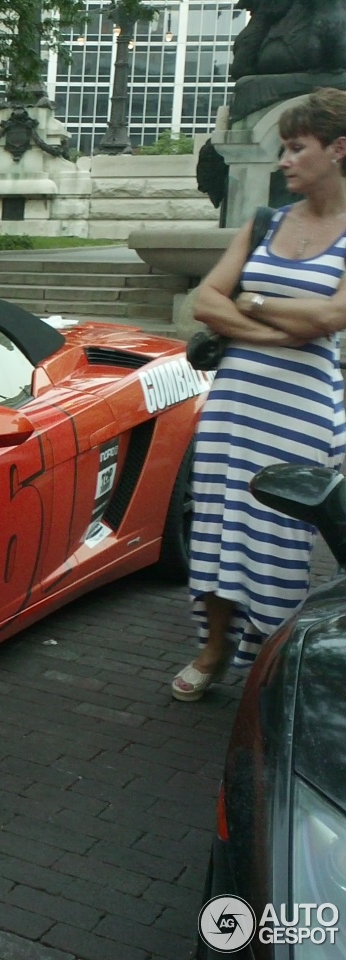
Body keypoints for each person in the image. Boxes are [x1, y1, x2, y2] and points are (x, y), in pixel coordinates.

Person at [171, 86, 346, 701]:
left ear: (338, 149)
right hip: (235, 405)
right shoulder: (264, 221)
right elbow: (206, 300)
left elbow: (333, 317)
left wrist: (253, 302)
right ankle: (215, 649)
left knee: (276, 540)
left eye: (297, 147)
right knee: (218, 528)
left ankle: (275, 665)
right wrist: (277, 325)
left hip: (300, 414)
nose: (284, 160)